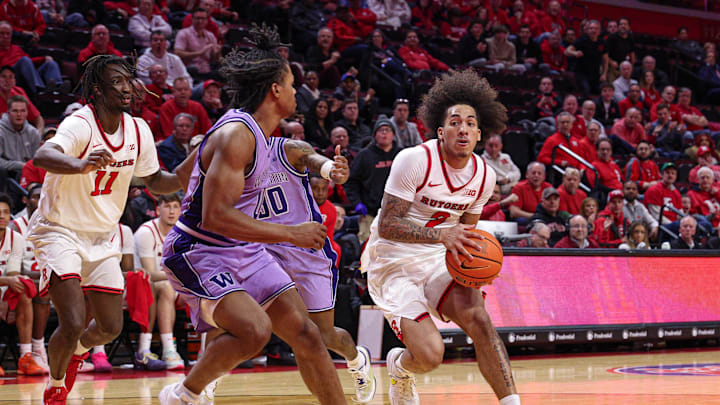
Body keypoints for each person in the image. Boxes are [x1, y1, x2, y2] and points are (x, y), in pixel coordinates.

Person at [157, 25, 346, 405]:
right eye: (292, 84)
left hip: (243, 249)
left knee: (307, 335)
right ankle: (184, 394)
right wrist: (291, 234)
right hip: (199, 250)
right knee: (254, 331)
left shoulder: (251, 131)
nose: (297, 91)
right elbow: (214, 218)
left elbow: (180, 176)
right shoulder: (237, 135)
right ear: (275, 89)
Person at [27, 54, 182, 404]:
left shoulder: (139, 129)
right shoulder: (81, 123)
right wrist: (79, 164)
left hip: (103, 235)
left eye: (128, 80)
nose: (126, 87)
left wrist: (194, 164)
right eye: (117, 82)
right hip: (59, 230)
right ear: (97, 89)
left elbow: (156, 180)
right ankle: (55, 386)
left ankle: (79, 351)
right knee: (72, 321)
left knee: (110, 327)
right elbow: (42, 156)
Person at [362, 69, 520, 405]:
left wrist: (474, 266)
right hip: (392, 261)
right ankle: (400, 368)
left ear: (479, 133)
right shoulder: (414, 160)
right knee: (431, 355)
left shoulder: (484, 177)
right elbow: (389, 225)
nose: (462, 128)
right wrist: (441, 235)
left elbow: (467, 234)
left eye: (470, 123)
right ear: (440, 130)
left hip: (437, 259)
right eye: (455, 121)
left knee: (480, 318)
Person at [249, 132, 376, 403]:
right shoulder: (230, 159)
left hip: (307, 254)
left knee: (322, 335)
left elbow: (317, 162)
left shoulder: (287, 149)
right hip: (265, 252)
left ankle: (356, 359)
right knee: (235, 313)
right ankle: (203, 384)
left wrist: (334, 169)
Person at [133, 193, 184, 371]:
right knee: (164, 286)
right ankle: (168, 350)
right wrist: (177, 277)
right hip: (140, 289)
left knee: (208, 292)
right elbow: (150, 274)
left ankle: (207, 351)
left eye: (175, 207)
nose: (171, 211)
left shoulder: (182, 233)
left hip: (176, 286)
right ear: (157, 209)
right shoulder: (146, 232)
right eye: (167, 206)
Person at [9, 183, 51, 374]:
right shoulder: (15, 226)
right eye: (35, 196)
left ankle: (77, 350)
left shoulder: (54, 222)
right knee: (36, 289)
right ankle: (35, 348)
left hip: (44, 279)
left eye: (43, 196)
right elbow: (13, 270)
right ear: (26, 200)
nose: (39, 200)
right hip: (22, 279)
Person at [0, 192, 41, 377]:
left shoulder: (15, 237)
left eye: (6, 212)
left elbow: (14, 272)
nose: (2, 216)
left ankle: (26, 357)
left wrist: (9, 293)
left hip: (3, 286)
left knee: (23, 290)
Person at [345, 117, 401, 243]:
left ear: (393, 134)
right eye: (381, 130)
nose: (384, 133)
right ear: (375, 135)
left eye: (387, 130)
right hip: (369, 211)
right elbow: (351, 181)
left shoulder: (402, 154)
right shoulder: (364, 155)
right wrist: (357, 202)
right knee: (366, 246)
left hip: (397, 212)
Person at [158, 76, 211, 141]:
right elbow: (168, 134)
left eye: (186, 89)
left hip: (197, 144)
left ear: (190, 92)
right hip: (175, 145)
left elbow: (207, 130)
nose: (183, 92)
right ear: (173, 91)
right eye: (179, 90)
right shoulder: (166, 108)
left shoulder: (198, 107)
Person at [0, 95, 41, 178]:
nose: (19, 114)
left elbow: (37, 161)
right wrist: (21, 165)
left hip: (29, 173)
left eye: (23, 111)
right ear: (8, 113)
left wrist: (27, 167)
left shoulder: (33, 133)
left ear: (27, 113)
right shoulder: (1, 131)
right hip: (6, 175)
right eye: (15, 111)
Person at [566, 19, 608, 96]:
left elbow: (605, 59)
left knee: (601, 92)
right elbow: (567, 51)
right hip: (581, 74)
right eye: (591, 28)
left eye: (596, 28)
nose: (593, 30)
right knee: (586, 91)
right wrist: (574, 52)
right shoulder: (582, 40)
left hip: (595, 74)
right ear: (587, 30)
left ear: (599, 31)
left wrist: (604, 73)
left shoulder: (602, 42)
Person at [174, 8, 221, 75]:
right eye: (197, 18)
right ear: (192, 19)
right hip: (188, 71)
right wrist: (199, 53)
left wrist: (218, 53)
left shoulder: (210, 35)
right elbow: (177, 53)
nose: (200, 21)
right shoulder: (184, 33)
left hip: (207, 71)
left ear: (207, 20)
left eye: (203, 18)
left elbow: (216, 60)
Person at [0, 65, 44, 133]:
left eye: (11, 77)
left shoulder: (19, 93)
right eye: (3, 76)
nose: (7, 80)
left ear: (14, 81)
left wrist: (38, 135)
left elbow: (38, 119)